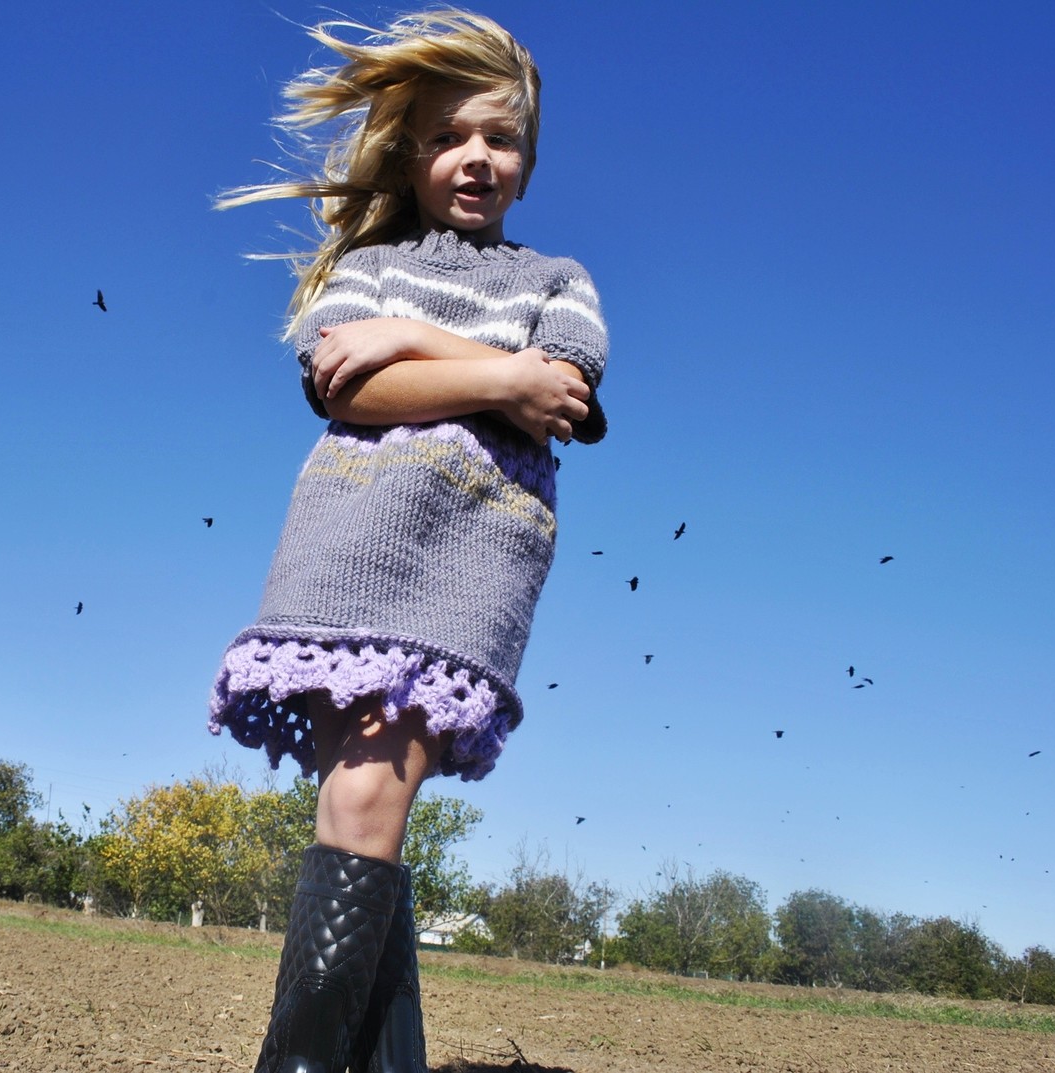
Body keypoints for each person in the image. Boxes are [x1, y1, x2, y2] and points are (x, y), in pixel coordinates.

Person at [208, 10, 608, 1072]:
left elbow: (562, 393)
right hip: (347, 544)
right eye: (447, 138)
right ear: (413, 152)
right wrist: (488, 371)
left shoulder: (557, 281)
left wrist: (421, 342)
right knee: (363, 802)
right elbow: (348, 384)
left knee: (366, 794)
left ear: (527, 159)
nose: (476, 158)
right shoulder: (368, 268)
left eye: (501, 138)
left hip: (471, 556)